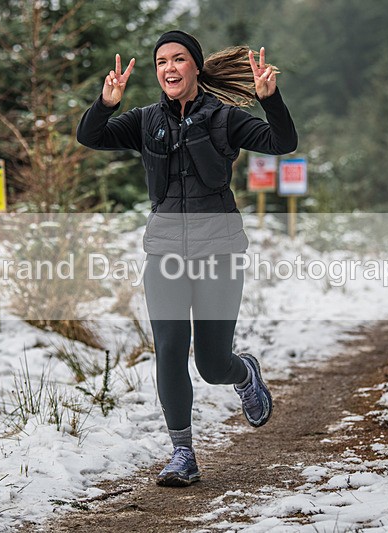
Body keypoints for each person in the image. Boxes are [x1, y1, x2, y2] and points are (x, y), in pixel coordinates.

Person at [76, 30, 298, 486]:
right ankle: (183, 453)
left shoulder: (225, 118)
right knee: (171, 352)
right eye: (161, 62)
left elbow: (283, 142)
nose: (169, 68)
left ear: (195, 67)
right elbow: (90, 136)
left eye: (178, 60)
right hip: (164, 253)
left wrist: (270, 100)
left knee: (212, 364)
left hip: (219, 248)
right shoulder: (143, 121)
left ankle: (244, 372)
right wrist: (106, 102)